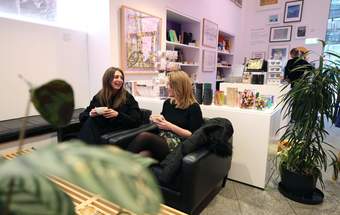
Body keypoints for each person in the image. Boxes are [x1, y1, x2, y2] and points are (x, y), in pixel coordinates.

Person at [126, 71, 204, 162]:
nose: (167, 87)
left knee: (145, 136)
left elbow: (193, 135)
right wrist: (155, 119)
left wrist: (170, 126)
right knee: (141, 157)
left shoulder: (194, 107)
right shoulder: (168, 103)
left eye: (170, 85)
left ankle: (116, 163)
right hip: (163, 138)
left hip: (179, 143)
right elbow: (163, 120)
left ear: (178, 87)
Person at [78, 67, 142, 144]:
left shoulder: (127, 97)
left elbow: (136, 120)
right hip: (101, 130)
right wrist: (91, 113)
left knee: (91, 124)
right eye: (116, 77)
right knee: (90, 120)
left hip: (118, 131)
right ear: (107, 80)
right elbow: (82, 116)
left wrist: (118, 115)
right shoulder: (99, 96)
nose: (120, 80)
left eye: (121, 78)